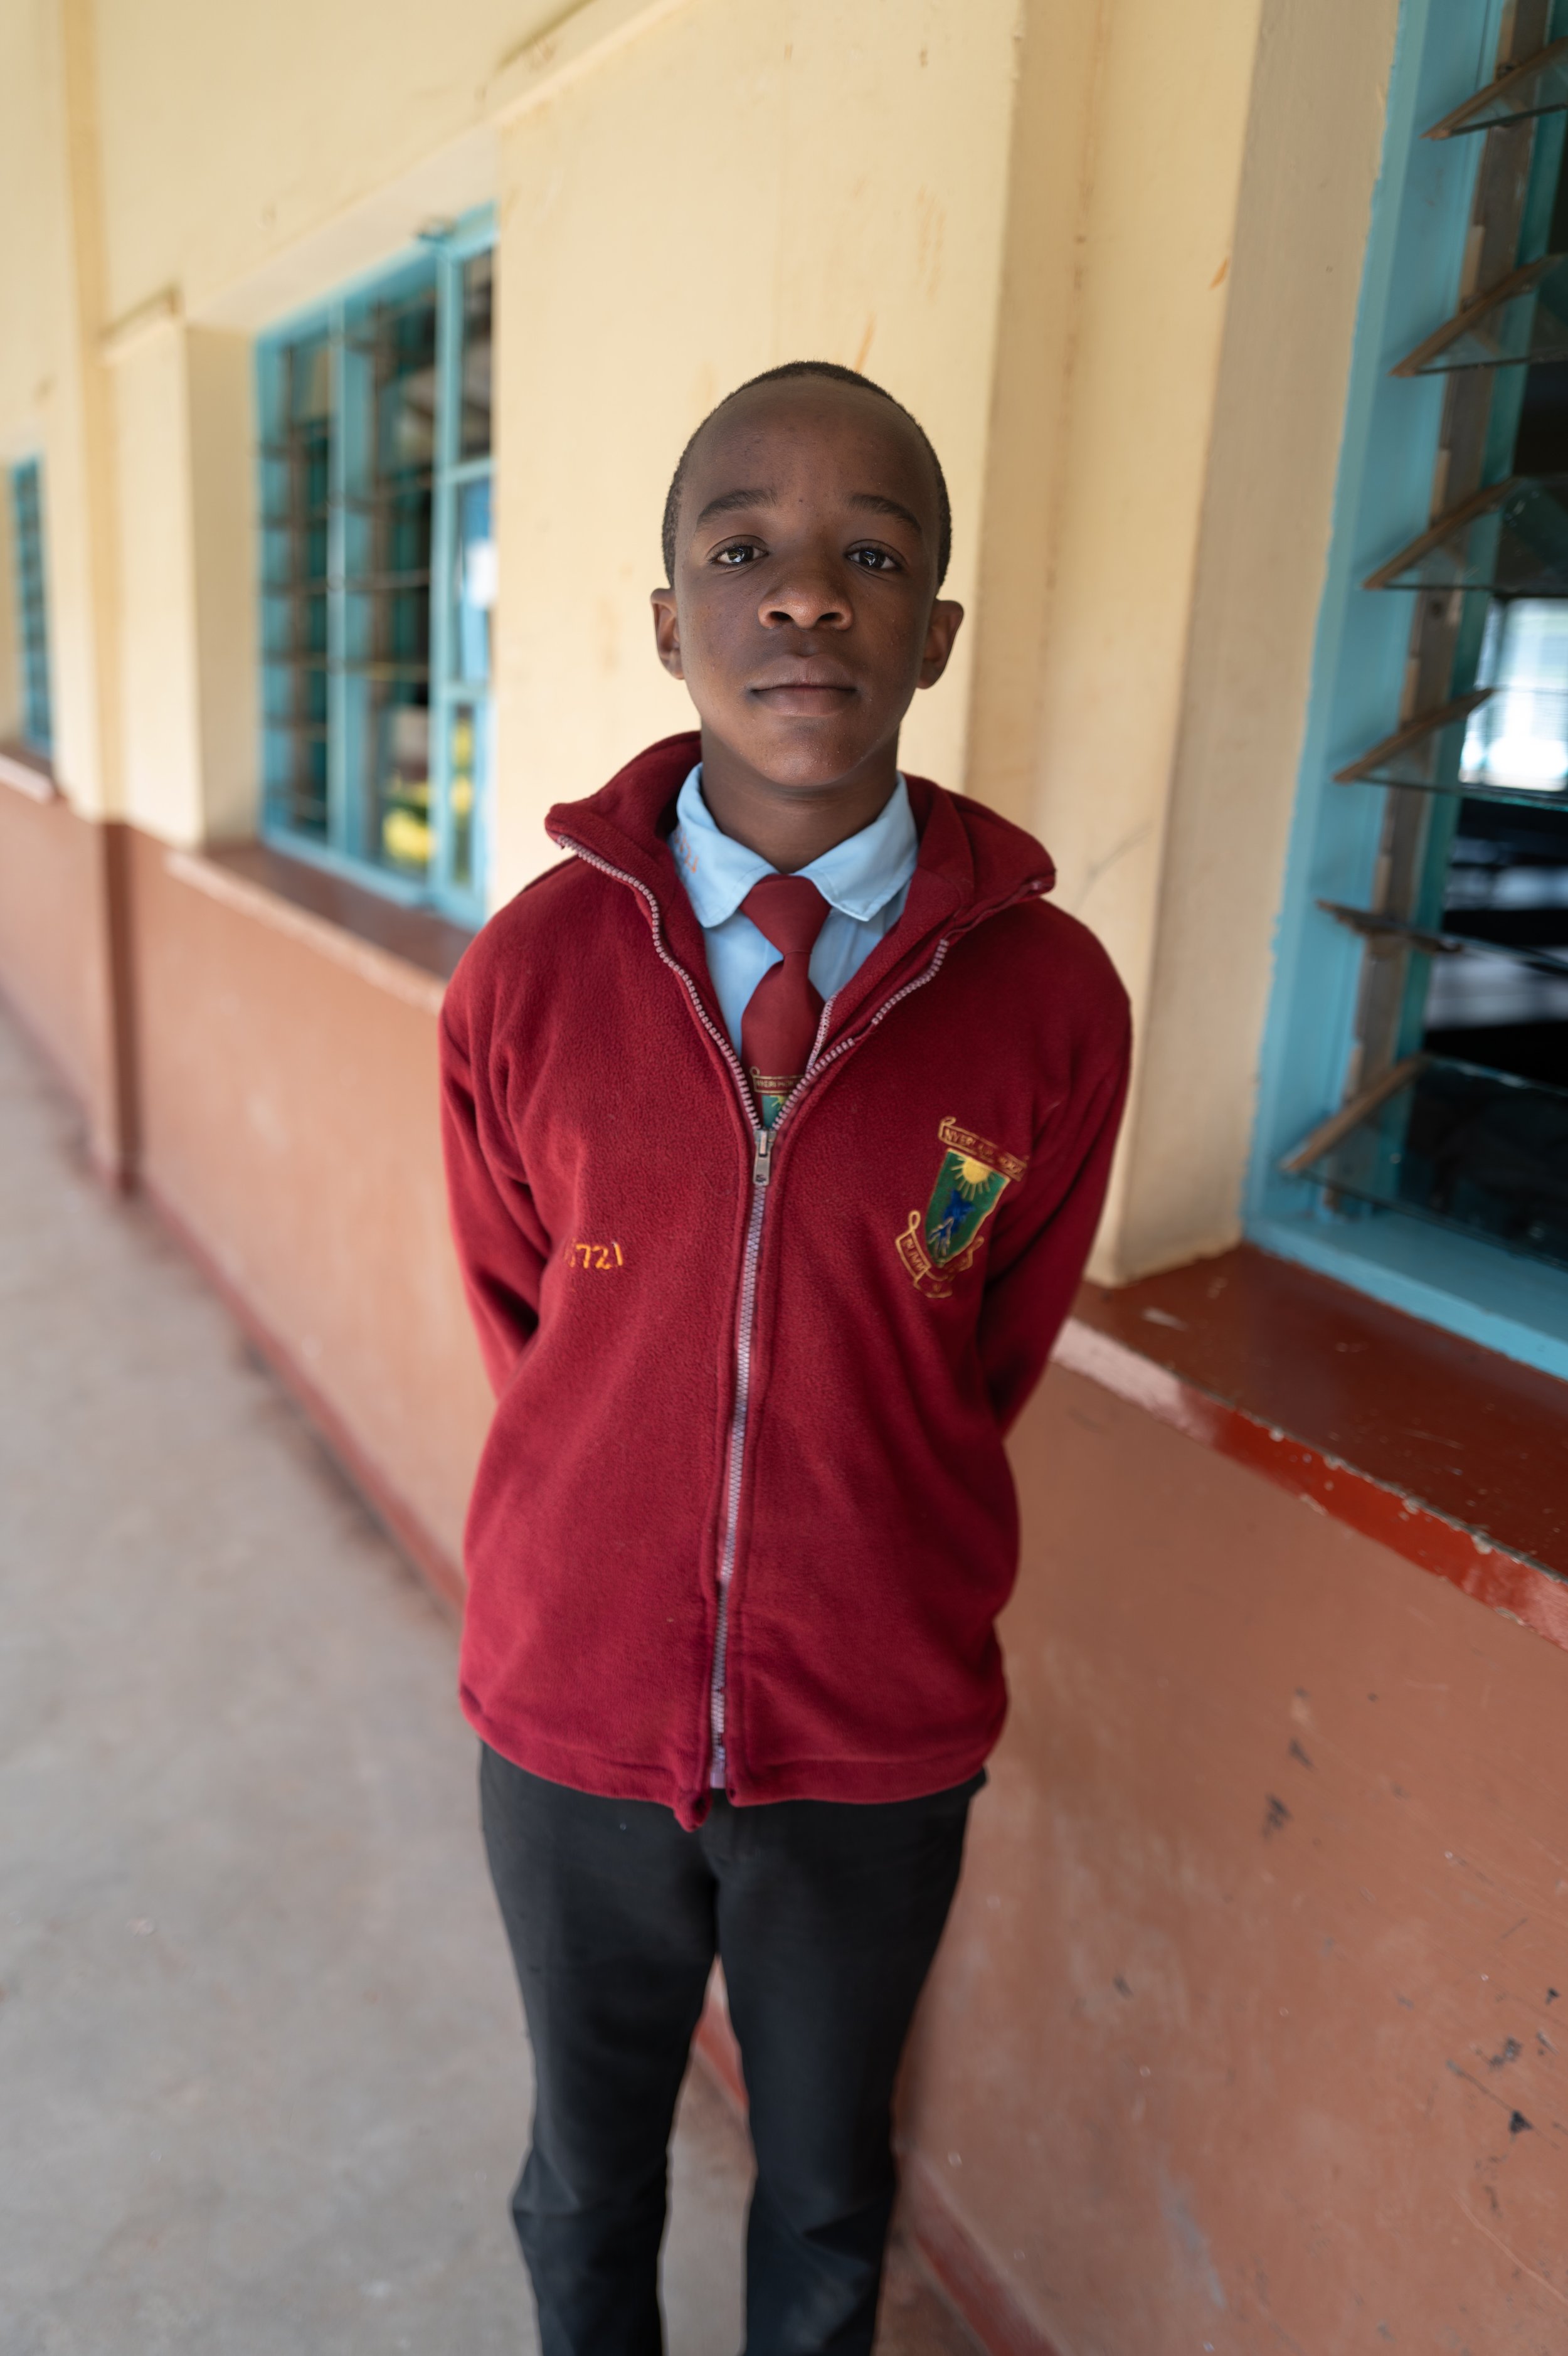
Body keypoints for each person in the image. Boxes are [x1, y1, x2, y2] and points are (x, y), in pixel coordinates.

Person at [439, 360, 1131, 2356]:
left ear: (934, 630)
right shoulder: (534, 971)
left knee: (827, 2191)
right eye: (740, 550)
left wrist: (849, 1525)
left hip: (873, 1734)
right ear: (669, 620)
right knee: (589, 2180)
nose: (804, 597)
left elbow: (985, 1343)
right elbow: (525, 1313)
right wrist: (617, 1533)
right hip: (569, 1719)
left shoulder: (1046, 998)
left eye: (870, 556)